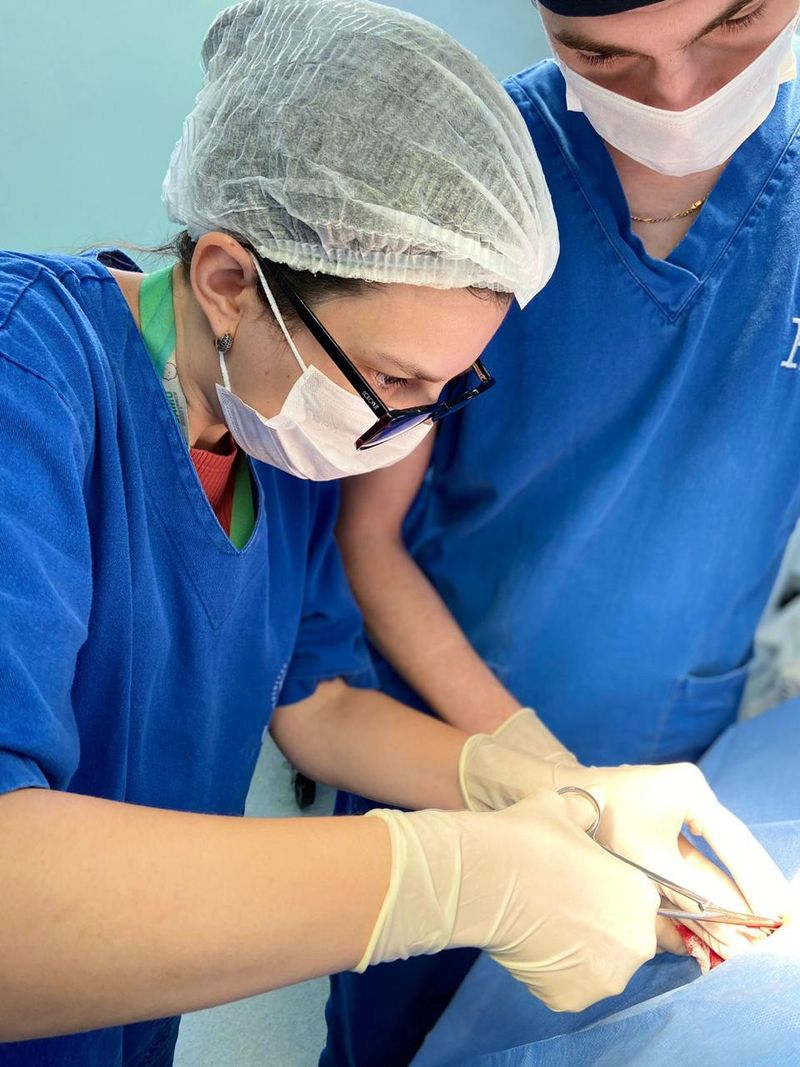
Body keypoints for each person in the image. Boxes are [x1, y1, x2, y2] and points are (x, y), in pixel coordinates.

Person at [329, 0, 800, 1064]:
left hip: (679, 736)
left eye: (728, 26)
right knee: (402, 1028)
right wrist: (537, 770)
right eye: (604, 56)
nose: (675, 96)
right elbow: (367, 540)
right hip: (440, 733)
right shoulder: (465, 187)